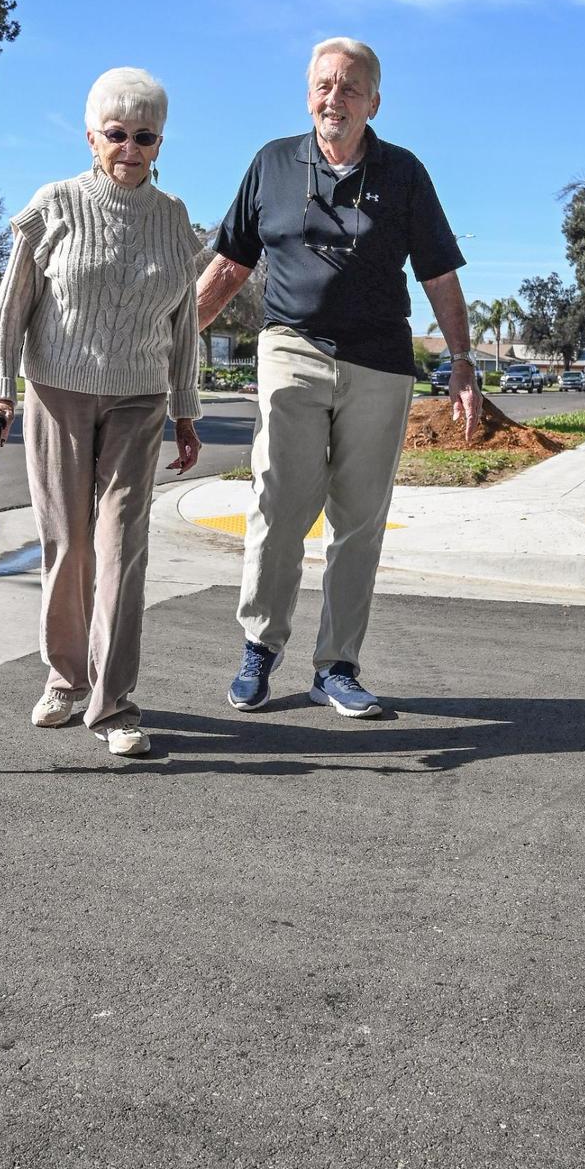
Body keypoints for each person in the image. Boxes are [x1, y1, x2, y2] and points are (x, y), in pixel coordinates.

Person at [197, 37, 481, 718]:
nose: (336, 98)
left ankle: (338, 666)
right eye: (325, 85)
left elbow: (438, 273)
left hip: (380, 362)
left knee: (359, 521)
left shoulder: (404, 172)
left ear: (374, 102)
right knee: (278, 501)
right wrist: (170, 338)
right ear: (308, 94)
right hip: (291, 347)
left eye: (351, 88)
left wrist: (462, 361)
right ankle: (260, 647)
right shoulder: (272, 163)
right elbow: (229, 265)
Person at [0, 66, 202, 757]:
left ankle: (115, 705)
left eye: (145, 136)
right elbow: (11, 307)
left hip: (140, 399)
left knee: (120, 549)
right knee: (69, 545)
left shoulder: (174, 218)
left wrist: (186, 411)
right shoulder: (55, 205)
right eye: (117, 133)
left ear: (160, 142)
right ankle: (66, 678)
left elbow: (184, 324)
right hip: (58, 392)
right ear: (91, 136)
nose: (130, 147)